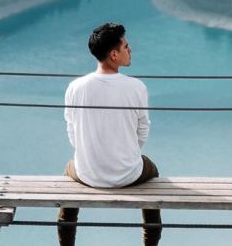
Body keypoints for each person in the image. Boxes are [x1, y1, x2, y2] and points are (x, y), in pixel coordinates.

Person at [59, 22, 161, 245]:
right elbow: (142, 131)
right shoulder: (136, 87)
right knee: (152, 169)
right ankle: (150, 241)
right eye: (126, 46)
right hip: (129, 174)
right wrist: (126, 153)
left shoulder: (75, 87)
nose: (130, 50)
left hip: (87, 174)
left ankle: (66, 242)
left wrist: (91, 153)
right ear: (114, 55)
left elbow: (72, 132)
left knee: (68, 171)